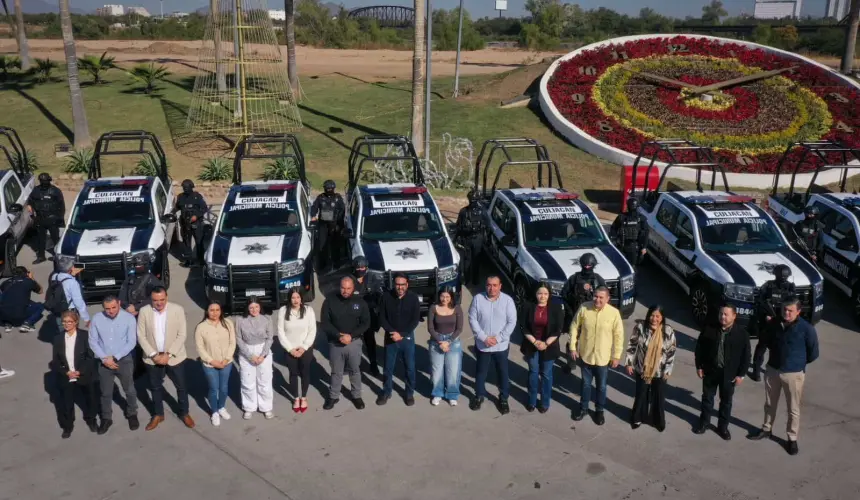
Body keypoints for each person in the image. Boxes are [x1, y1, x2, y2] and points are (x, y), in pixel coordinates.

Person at [747, 297, 819, 456]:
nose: (786, 313)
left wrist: (797, 363)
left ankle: (792, 438)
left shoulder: (806, 329)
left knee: (793, 408)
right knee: (769, 403)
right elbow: (764, 341)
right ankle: (766, 429)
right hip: (773, 370)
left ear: (798, 312)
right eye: (784, 310)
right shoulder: (773, 324)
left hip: (793, 374)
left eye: (790, 310)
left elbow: (813, 353)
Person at [137, 287, 195, 430]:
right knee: (155, 387)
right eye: (155, 300)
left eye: (162, 299)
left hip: (174, 357)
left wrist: (168, 354)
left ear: (166, 297)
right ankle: (158, 414)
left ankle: (184, 412)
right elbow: (140, 336)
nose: (159, 303)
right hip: (153, 358)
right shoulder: (144, 311)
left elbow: (182, 335)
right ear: (151, 300)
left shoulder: (178, 310)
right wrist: (153, 355)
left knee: (181, 387)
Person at [693, 304, 750, 440]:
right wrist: (699, 366)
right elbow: (699, 348)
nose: (722, 317)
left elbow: (746, 356)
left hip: (729, 375)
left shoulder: (741, 334)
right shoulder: (709, 328)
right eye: (721, 314)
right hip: (710, 371)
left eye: (726, 314)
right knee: (707, 399)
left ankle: (722, 427)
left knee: (726, 402)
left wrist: (741, 374)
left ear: (734, 316)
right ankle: (704, 423)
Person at [569, 286, 624, 425]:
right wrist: (572, 347)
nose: (597, 300)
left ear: (607, 299)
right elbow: (574, 326)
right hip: (586, 356)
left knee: (601, 387)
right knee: (586, 384)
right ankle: (583, 408)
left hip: (603, 359)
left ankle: (599, 411)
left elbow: (619, 336)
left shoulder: (614, 313)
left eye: (601, 297)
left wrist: (616, 356)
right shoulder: (584, 308)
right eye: (595, 296)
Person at [89, 295, 139, 435]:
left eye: (113, 308)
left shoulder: (128, 318)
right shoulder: (97, 318)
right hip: (104, 361)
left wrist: (115, 357)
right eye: (107, 309)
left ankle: (132, 414)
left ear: (119, 304)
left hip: (123, 360)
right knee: (105, 392)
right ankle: (106, 418)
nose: (110, 311)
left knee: (129, 389)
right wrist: (105, 359)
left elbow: (131, 342)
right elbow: (93, 341)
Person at [468, 275, 517, 414]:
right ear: (485, 286)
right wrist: (483, 337)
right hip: (483, 345)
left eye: (495, 285)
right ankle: (479, 396)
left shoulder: (508, 301)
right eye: (489, 285)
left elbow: (512, 322)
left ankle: (503, 398)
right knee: (481, 372)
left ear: (500, 286)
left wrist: (498, 338)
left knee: (502, 372)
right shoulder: (478, 299)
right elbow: (472, 318)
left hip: (500, 346)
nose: (492, 288)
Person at [320, 276, 370, 410]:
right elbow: (325, 322)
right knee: (336, 371)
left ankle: (356, 396)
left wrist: (351, 335)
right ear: (339, 286)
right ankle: (333, 396)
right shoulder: (329, 301)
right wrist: (337, 335)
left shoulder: (360, 302)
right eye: (343, 288)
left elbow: (366, 322)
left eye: (348, 288)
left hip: (354, 342)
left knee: (355, 370)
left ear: (353, 288)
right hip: (335, 343)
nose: (345, 291)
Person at [625, 304, 677, 431]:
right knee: (641, 394)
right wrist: (629, 363)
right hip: (642, 369)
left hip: (660, 371)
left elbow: (671, 351)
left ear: (662, 317)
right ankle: (637, 418)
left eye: (658, 316)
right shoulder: (641, 327)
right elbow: (632, 345)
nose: (654, 319)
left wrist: (668, 369)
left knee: (658, 396)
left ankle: (657, 421)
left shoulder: (668, 331)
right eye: (652, 315)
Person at [52, 310, 98, 438]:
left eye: (70, 322)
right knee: (67, 403)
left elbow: (90, 357)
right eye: (64, 322)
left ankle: (91, 420)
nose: (67, 324)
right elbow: (56, 361)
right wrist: (66, 372)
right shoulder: (58, 338)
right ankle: (68, 426)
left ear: (76, 322)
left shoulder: (84, 336)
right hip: (67, 376)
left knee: (90, 400)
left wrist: (80, 371)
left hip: (83, 374)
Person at [377, 273, 421, 406]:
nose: (400, 287)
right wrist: (392, 332)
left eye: (402, 284)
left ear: (407, 284)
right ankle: (386, 392)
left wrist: (401, 334)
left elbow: (415, 320)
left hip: (407, 337)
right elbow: (381, 317)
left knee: (410, 368)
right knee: (388, 368)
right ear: (393, 284)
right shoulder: (386, 297)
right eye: (397, 284)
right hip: (390, 338)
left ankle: (409, 394)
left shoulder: (413, 298)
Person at [520, 283, 564, 413]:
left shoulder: (556, 308)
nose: (542, 296)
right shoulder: (528, 306)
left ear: (549, 294)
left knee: (546, 374)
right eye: (540, 293)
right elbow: (523, 326)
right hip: (531, 344)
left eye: (545, 293)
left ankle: (545, 402)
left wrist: (546, 343)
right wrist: (535, 342)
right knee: (533, 373)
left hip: (549, 346)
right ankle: (532, 401)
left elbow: (558, 329)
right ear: (535, 294)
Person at [561, 253, 606, 374]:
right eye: (585, 265)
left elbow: (605, 298)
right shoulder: (574, 278)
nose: (587, 268)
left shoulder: (598, 280)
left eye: (589, 266)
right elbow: (564, 295)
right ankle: (571, 364)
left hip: (593, 317)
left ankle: (589, 364)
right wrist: (570, 311)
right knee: (572, 341)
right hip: (576, 315)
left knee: (591, 341)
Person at [750, 264, 795, 382]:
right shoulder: (769, 286)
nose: (784, 280)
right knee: (762, 347)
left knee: (781, 349)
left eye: (785, 277)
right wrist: (766, 315)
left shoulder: (790, 288)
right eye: (782, 277)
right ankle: (756, 370)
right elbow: (759, 301)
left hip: (782, 322)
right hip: (768, 323)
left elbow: (793, 304)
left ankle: (779, 369)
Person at [195, 301, 236, 427]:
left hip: (226, 363)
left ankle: (222, 407)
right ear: (207, 311)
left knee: (223, 388)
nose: (215, 313)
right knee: (213, 388)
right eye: (212, 310)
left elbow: (232, 342)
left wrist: (226, 358)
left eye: (217, 310)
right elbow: (200, 348)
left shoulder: (228, 323)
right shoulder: (201, 327)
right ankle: (214, 412)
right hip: (210, 365)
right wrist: (212, 361)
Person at [277, 288, 317, 414]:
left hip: (305, 349)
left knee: (305, 373)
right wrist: (290, 349)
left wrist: (304, 347)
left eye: (298, 297)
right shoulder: (283, 311)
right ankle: (296, 398)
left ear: (301, 298)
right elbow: (280, 332)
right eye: (293, 297)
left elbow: (312, 330)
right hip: (290, 350)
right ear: (289, 298)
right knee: (293, 373)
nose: (295, 300)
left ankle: (303, 397)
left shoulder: (309, 310)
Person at [236, 298, 275, 419]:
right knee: (247, 381)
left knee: (265, 381)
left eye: (256, 307)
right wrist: (249, 355)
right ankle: (249, 407)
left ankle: (266, 407)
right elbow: (238, 339)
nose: (254, 310)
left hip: (263, 351)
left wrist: (263, 355)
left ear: (260, 307)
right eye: (251, 307)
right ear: (247, 308)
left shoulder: (267, 319)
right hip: (247, 351)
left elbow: (270, 338)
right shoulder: (240, 320)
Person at [427, 287, 464, 407]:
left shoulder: (457, 308)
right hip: (436, 341)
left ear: (451, 297)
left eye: (448, 297)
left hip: (453, 341)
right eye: (443, 296)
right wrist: (440, 341)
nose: (445, 299)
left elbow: (459, 329)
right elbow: (430, 328)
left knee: (453, 370)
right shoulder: (433, 308)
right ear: (439, 296)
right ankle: (437, 393)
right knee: (437, 370)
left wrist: (448, 341)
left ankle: (452, 395)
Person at [351, 256, 380, 376]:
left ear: (366, 267)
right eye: (358, 267)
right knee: (354, 340)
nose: (360, 269)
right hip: (354, 315)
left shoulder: (372, 277)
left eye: (362, 267)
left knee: (370, 340)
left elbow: (377, 295)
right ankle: (353, 364)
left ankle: (373, 363)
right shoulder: (350, 279)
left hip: (368, 315)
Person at [28, 172, 65, 264]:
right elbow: (30, 203)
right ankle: (41, 256)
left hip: (52, 218)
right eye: (42, 181)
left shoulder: (55, 191)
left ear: (49, 180)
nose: (44, 182)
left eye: (46, 181)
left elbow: (61, 206)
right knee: (40, 239)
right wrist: (33, 216)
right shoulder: (36, 191)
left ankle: (58, 256)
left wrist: (59, 218)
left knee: (55, 238)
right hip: (40, 218)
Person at [310, 179, 345, 273]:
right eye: (327, 188)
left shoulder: (338, 198)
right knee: (322, 245)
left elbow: (342, 210)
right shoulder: (320, 197)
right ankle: (323, 264)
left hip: (335, 224)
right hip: (323, 225)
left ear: (333, 188)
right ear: (324, 188)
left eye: (330, 188)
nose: (329, 190)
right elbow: (314, 207)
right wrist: (313, 215)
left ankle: (336, 263)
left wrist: (340, 225)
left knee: (336, 244)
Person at [47, 257, 90, 330]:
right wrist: (86, 319)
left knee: (62, 332)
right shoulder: (72, 283)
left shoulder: (54, 276)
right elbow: (78, 302)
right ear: (71, 268)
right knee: (72, 334)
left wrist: (71, 274)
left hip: (58, 309)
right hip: (69, 312)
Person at [172, 179, 208, 267]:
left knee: (199, 242)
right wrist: (171, 213)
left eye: (187, 187)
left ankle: (201, 260)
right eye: (184, 187)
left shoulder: (197, 196)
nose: (185, 189)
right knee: (186, 243)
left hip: (196, 223)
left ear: (191, 187)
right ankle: (189, 260)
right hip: (185, 224)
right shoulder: (180, 197)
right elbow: (177, 207)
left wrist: (196, 216)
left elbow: (204, 208)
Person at [118, 253, 164, 317]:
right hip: (129, 313)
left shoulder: (153, 281)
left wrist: (137, 308)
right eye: (135, 265)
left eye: (140, 265)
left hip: (148, 314)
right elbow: (121, 297)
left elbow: (156, 299)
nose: (137, 267)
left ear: (146, 264)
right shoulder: (129, 279)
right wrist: (127, 307)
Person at [0, 266, 44, 332]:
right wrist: (32, 278)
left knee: (9, 301)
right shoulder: (28, 281)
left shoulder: (5, 283)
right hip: (19, 314)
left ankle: (8, 323)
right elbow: (40, 291)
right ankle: (27, 323)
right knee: (40, 306)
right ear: (26, 273)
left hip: (3, 314)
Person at [455, 188, 485, 285]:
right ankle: (471, 280)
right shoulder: (464, 211)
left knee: (473, 260)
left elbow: (458, 226)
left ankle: (471, 280)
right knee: (470, 260)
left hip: (474, 239)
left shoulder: (465, 211)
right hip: (469, 239)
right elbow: (459, 226)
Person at [610, 198, 649, 268]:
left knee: (624, 267)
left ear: (627, 206)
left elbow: (646, 233)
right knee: (629, 267)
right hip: (626, 246)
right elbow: (613, 230)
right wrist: (644, 247)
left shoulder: (622, 217)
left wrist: (644, 247)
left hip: (629, 247)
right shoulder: (640, 218)